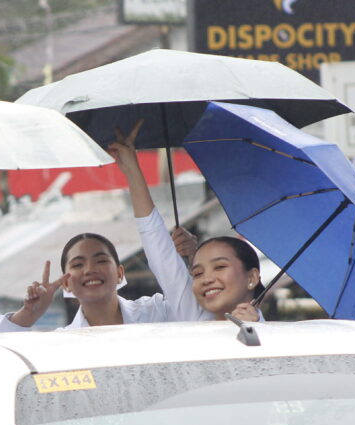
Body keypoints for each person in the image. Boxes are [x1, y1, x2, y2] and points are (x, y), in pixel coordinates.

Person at [109, 119, 262, 324]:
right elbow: (158, 248)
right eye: (197, 273)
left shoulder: (281, 339)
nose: (206, 279)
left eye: (219, 267)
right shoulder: (193, 315)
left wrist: (259, 332)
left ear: (252, 278)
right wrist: (132, 170)